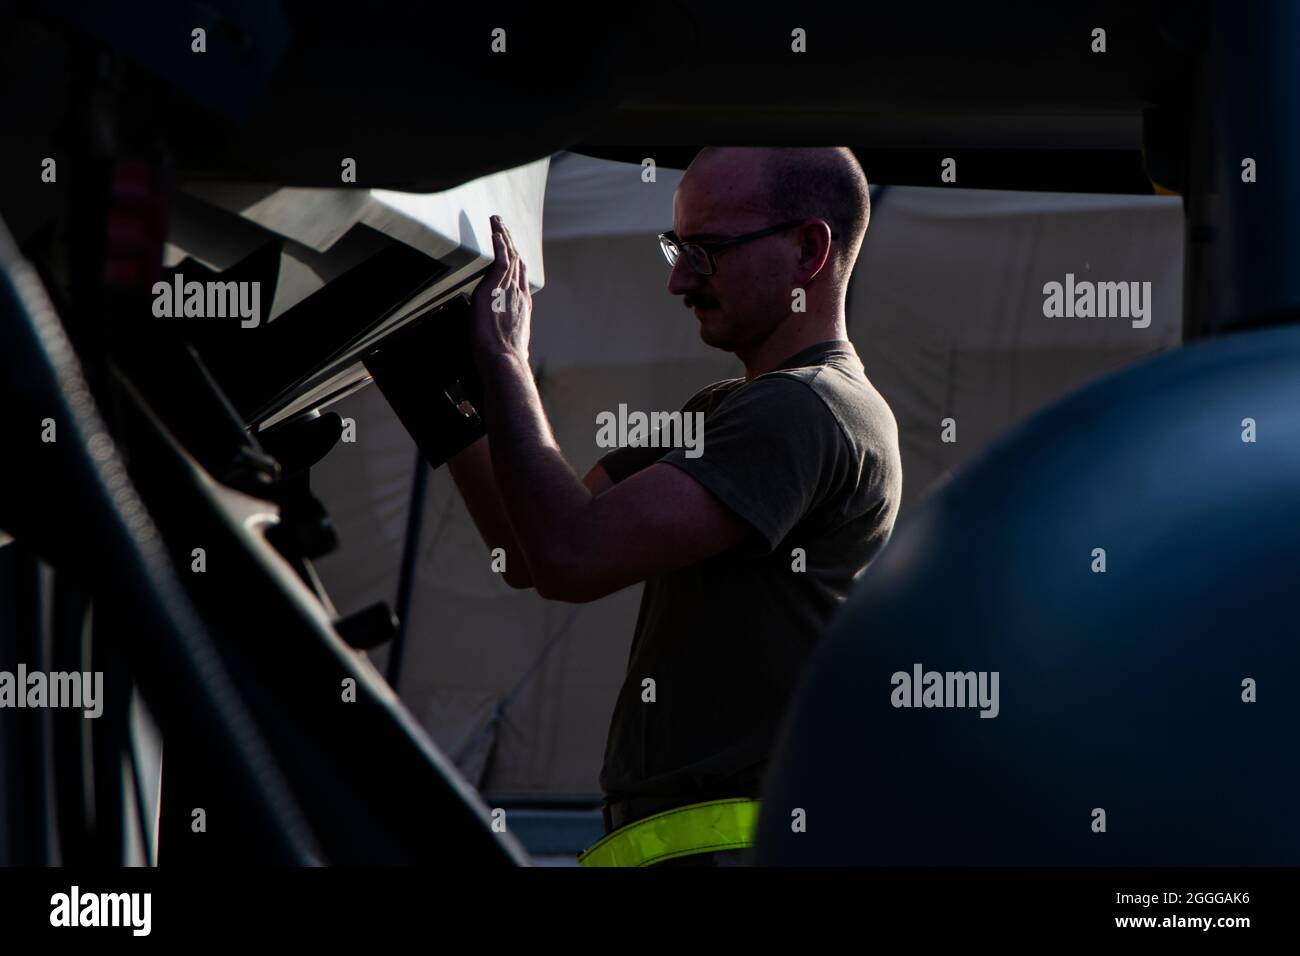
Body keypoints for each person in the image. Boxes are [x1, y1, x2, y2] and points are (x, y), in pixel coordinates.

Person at [448, 146, 902, 866]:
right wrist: (443, 392)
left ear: (809, 249)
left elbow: (571, 556)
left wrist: (506, 362)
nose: (678, 279)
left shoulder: (803, 410)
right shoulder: (737, 410)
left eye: (706, 250)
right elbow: (526, 545)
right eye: (677, 247)